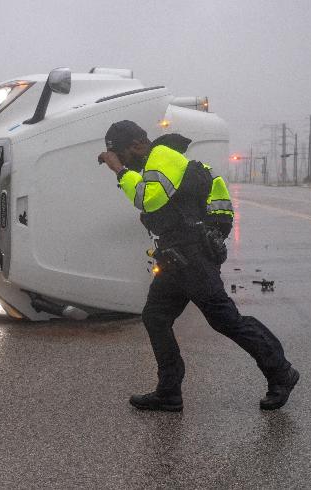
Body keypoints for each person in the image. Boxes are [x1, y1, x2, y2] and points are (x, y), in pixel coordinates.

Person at [97, 120, 298, 412]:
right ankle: (169, 392)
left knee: (226, 319)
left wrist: (119, 170)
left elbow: (148, 200)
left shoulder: (161, 157)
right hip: (175, 258)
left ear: (139, 144)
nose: (124, 162)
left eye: (124, 155)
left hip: (191, 258)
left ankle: (281, 371)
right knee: (155, 316)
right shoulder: (163, 160)